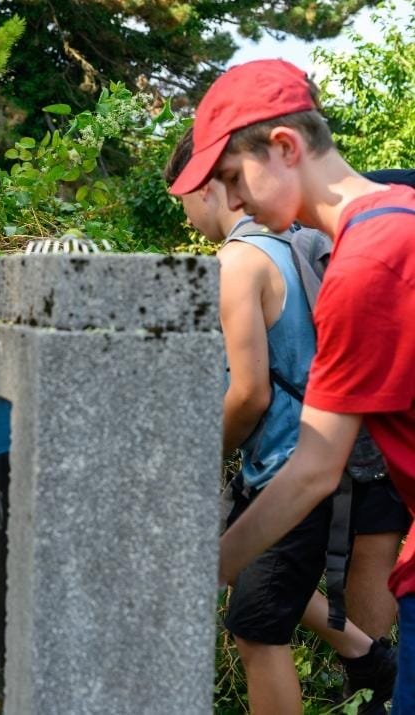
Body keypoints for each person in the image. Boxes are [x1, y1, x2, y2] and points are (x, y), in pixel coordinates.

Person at [168, 59, 415, 713]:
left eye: (232, 179)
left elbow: (312, 468)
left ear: (284, 147)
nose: (237, 203)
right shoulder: (399, 213)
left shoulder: (367, 263)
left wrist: (207, 565)